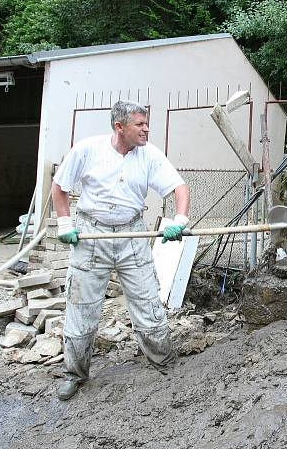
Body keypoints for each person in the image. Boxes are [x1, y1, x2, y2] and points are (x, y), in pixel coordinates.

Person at [51, 100, 190, 400]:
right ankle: (75, 374)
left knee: (148, 300)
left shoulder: (149, 155)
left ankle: (163, 361)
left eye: (146, 123)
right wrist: (64, 223)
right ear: (119, 127)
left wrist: (180, 219)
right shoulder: (88, 150)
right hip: (92, 234)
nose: (146, 129)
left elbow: (179, 188)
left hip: (132, 233)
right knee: (81, 307)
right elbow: (59, 187)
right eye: (139, 124)